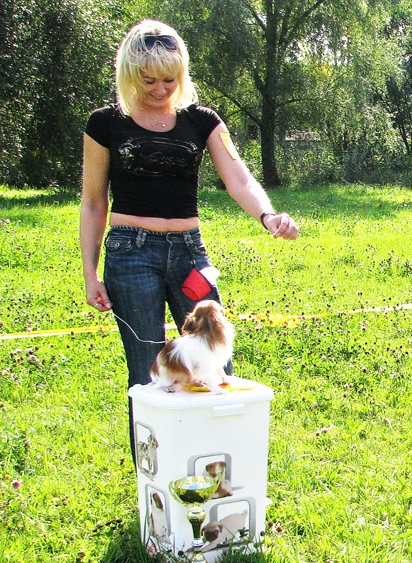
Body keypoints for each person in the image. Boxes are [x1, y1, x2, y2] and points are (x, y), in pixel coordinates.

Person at [80, 20, 299, 459]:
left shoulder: (202, 121)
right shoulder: (105, 123)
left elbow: (237, 177)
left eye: (170, 79)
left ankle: (220, 464)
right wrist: (89, 272)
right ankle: (157, 476)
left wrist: (268, 214)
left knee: (218, 363)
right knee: (147, 375)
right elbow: (92, 201)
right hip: (129, 254)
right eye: (149, 80)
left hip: (188, 254)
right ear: (128, 74)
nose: (161, 89)